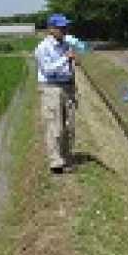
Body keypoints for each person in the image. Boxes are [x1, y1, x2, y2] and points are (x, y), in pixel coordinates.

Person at [34, 13, 77, 174]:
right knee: (54, 125)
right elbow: (48, 69)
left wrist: (73, 64)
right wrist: (66, 58)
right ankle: (56, 162)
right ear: (51, 29)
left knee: (69, 126)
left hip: (67, 87)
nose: (65, 29)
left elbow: (68, 67)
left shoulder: (65, 44)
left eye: (66, 26)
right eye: (61, 27)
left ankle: (66, 157)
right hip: (51, 88)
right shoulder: (43, 48)